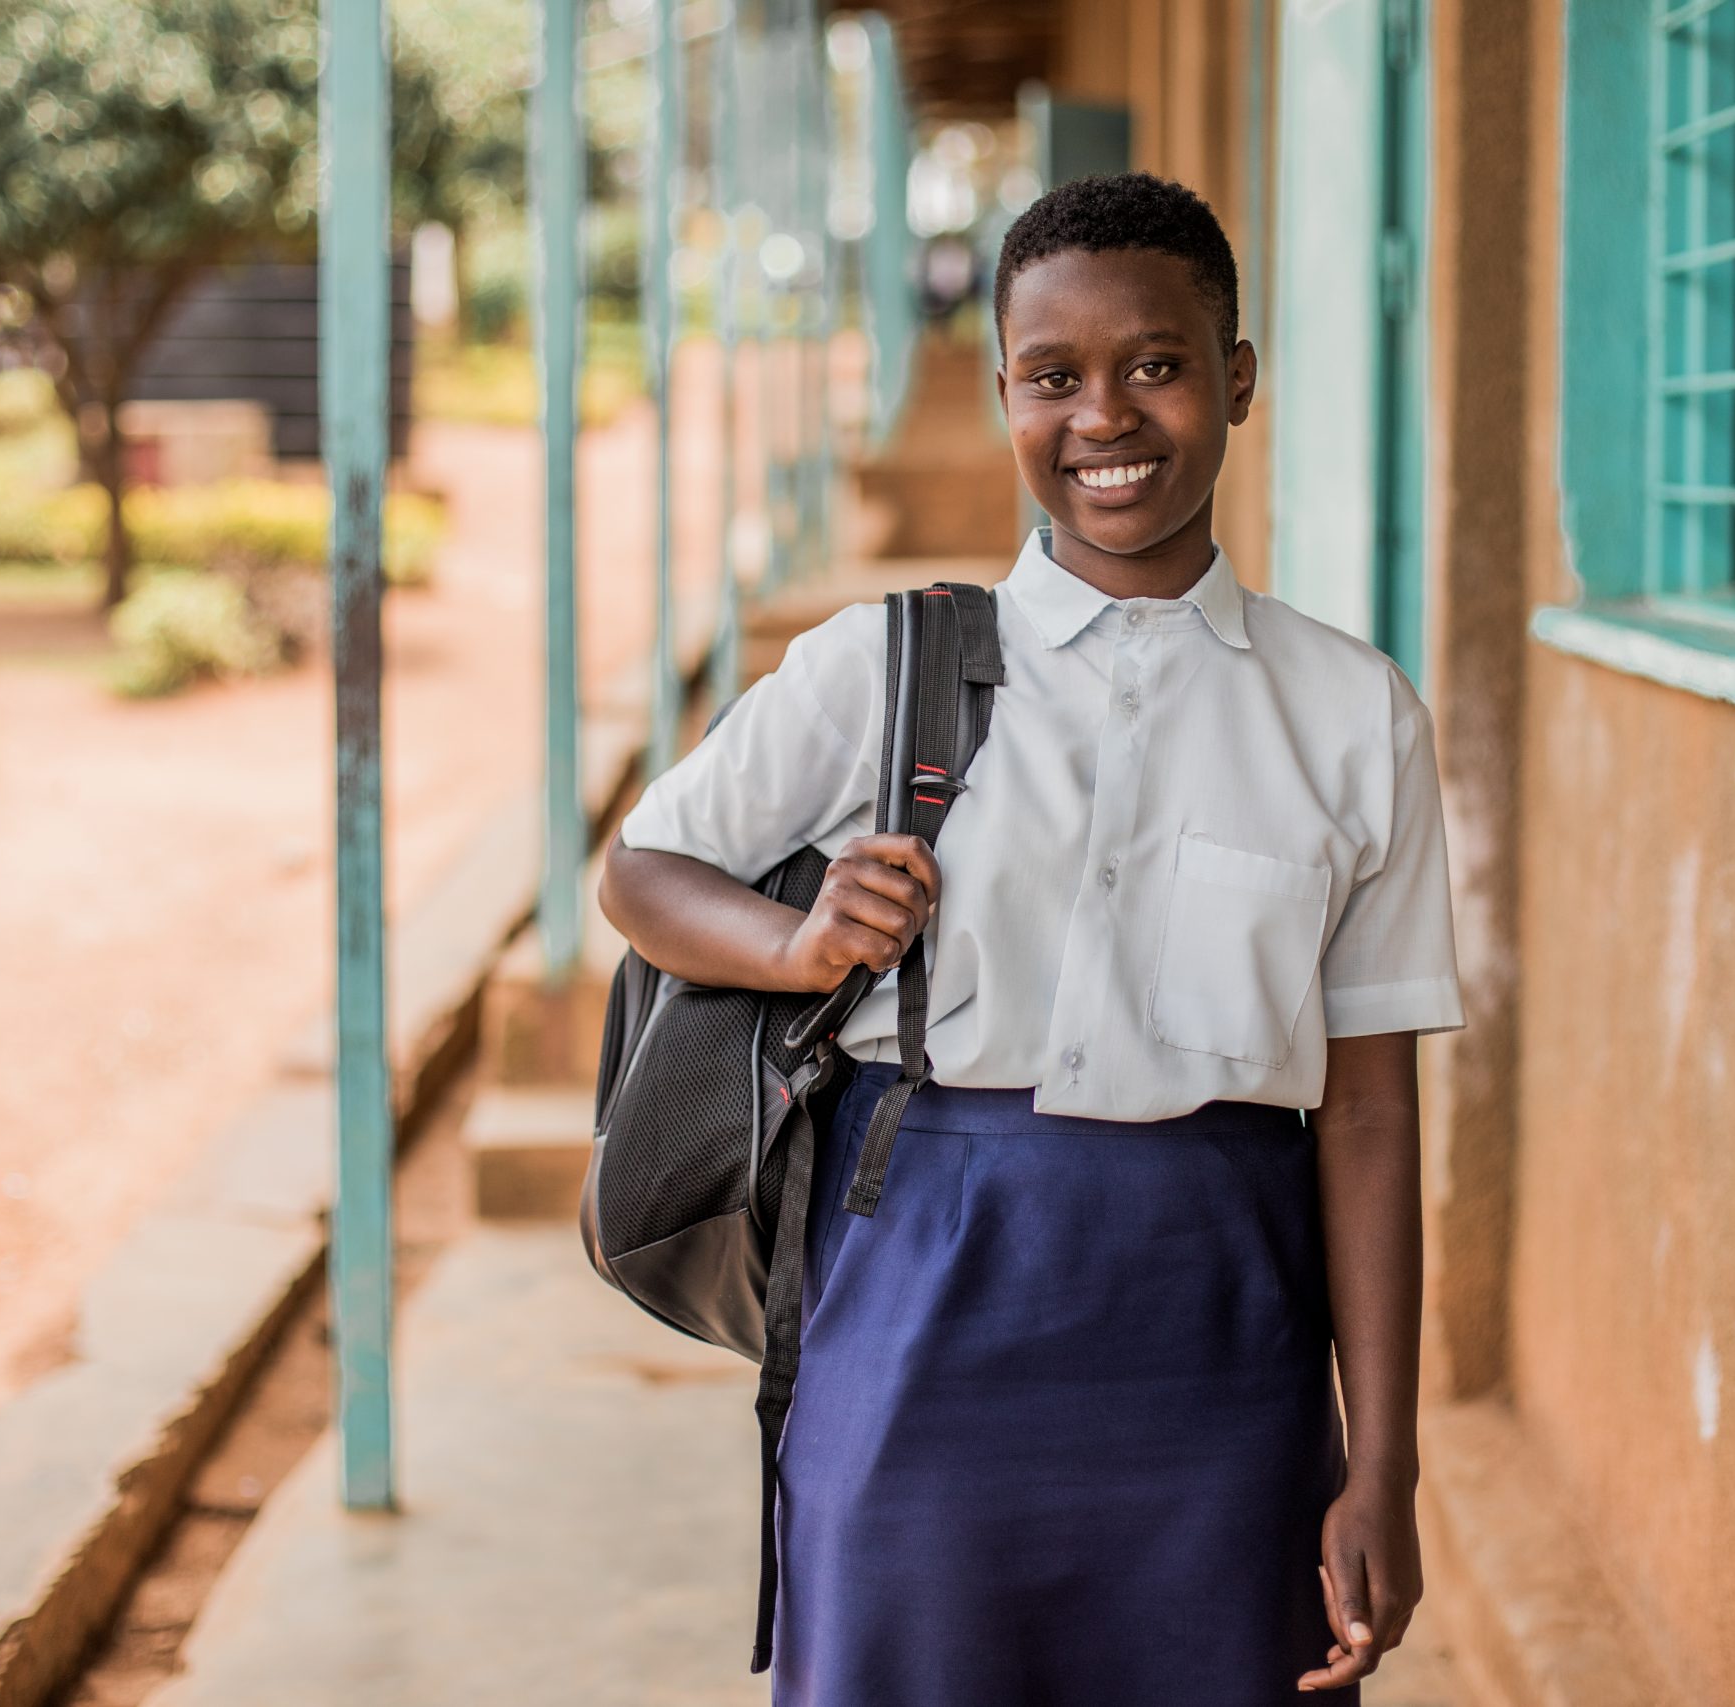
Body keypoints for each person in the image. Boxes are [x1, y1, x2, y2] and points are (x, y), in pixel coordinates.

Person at [599, 171, 1463, 1704]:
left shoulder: (1351, 717)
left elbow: (1374, 1113)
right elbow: (648, 868)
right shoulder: (886, 666)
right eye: (1055, 378)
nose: (1106, 417)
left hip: (1226, 1331)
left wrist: (1380, 1460)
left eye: (1158, 363)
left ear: (1235, 379)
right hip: (919, 1294)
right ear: (1008, 394)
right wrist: (800, 948)